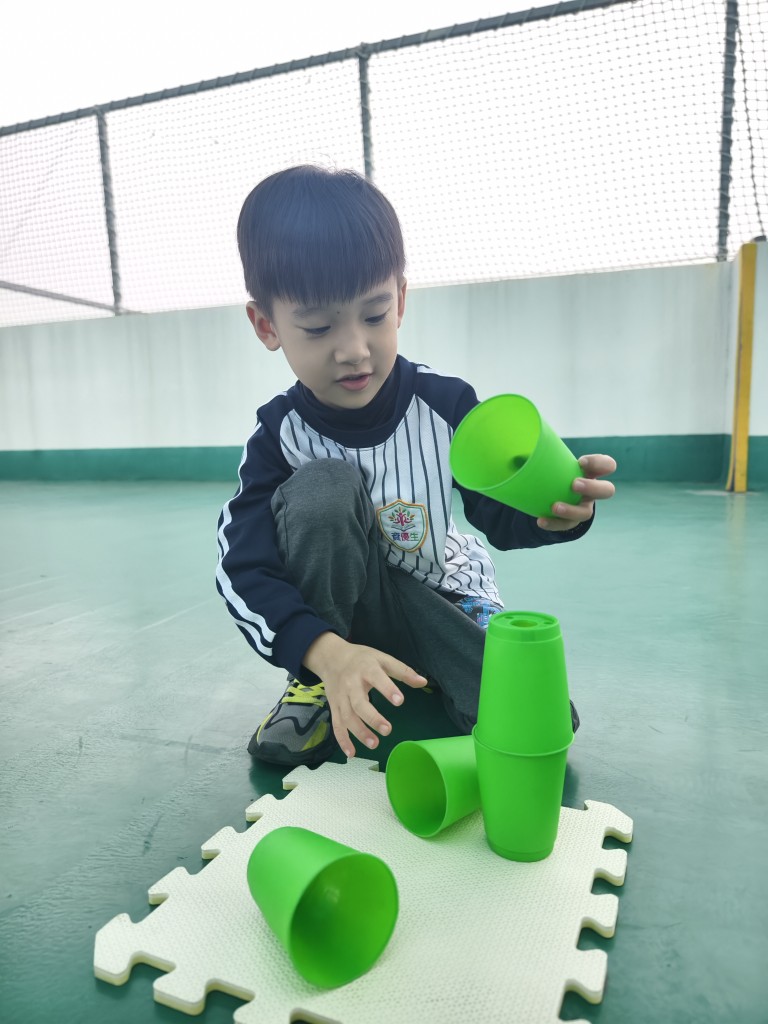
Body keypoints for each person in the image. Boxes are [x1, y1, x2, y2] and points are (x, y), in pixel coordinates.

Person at [216, 164, 616, 767]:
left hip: (438, 598)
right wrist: (322, 650)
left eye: (375, 315)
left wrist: (553, 513)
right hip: (336, 623)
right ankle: (323, 680)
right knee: (323, 489)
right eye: (319, 327)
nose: (354, 349)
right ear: (266, 325)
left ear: (400, 300)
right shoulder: (278, 434)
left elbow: (496, 514)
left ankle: (425, 660)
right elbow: (242, 566)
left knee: (538, 722)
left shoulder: (446, 404)